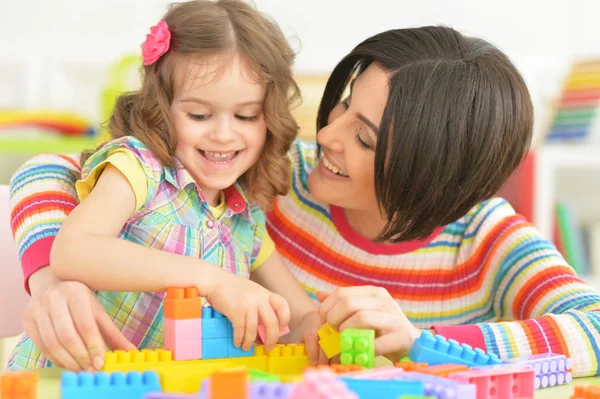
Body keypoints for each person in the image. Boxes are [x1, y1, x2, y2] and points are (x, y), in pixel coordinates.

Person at [10, 25, 600, 376]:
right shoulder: (269, 174)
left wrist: (423, 343)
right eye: (343, 103)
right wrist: (52, 282)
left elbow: (595, 328)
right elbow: (50, 170)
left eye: (364, 137)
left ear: (433, 174)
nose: (327, 135)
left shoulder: (487, 238)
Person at [6, 0, 320, 371]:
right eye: (199, 115)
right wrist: (212, 281)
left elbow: (300, 319)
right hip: (62, 382)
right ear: (162, 107)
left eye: (246, 115)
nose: (223, 134)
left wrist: (323, 326)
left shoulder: (246, 219)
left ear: (270, 118)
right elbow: (73, 250)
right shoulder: (140, 168)